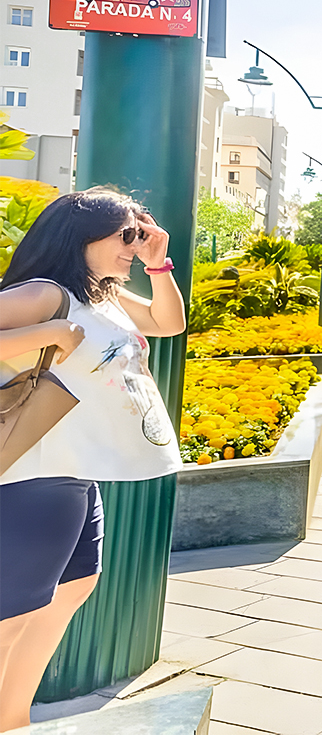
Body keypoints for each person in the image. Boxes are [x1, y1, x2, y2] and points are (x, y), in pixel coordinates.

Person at [0, 188, 184, 731]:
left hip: (76, 470)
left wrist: (159, 262)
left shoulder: (100, 294)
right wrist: (50, 331)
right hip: (36, 469)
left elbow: (168, 323)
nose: (136, 244)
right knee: (13, 613)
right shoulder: (46, 293)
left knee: (71, 589)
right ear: (82, 238)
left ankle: (13, 719)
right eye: (127, 235)